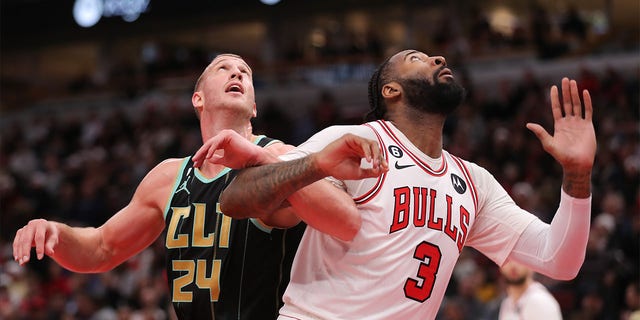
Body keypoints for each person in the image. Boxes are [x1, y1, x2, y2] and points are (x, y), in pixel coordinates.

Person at [202, 49, 596, 319]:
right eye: (417, 59)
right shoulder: (350, 141)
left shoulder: (474, 183)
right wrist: (312, 166)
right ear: (392, 90)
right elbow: (237, 198)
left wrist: (577, 175)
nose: (438, 59)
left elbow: (559, 259)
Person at [11, 53, 362, 320]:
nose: (237, 72)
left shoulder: (279, 155)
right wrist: (56, 233)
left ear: (254, 107)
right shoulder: (168, 177)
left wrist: (260, 159)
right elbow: (102, 247)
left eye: (246, 73)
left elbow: (344, 221)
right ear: (198, 99)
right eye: (223, 69)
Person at [498, 260, 563, 320]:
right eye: (507, 260)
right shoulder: (506, 303)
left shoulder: (541, 301)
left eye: (519, 259)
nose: (513, 265)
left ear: (531, 265)